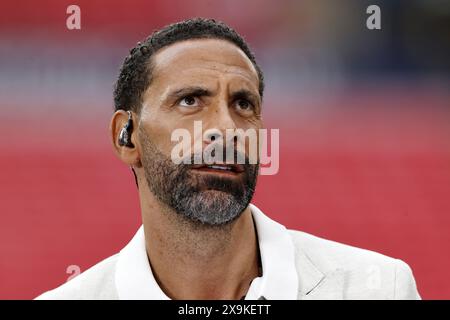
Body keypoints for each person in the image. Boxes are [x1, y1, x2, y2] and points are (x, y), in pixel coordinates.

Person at [36, 18, 420, 300]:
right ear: (127, 136)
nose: (226, 126)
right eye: (190, 101)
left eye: (242, 104)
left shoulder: (377, 288)